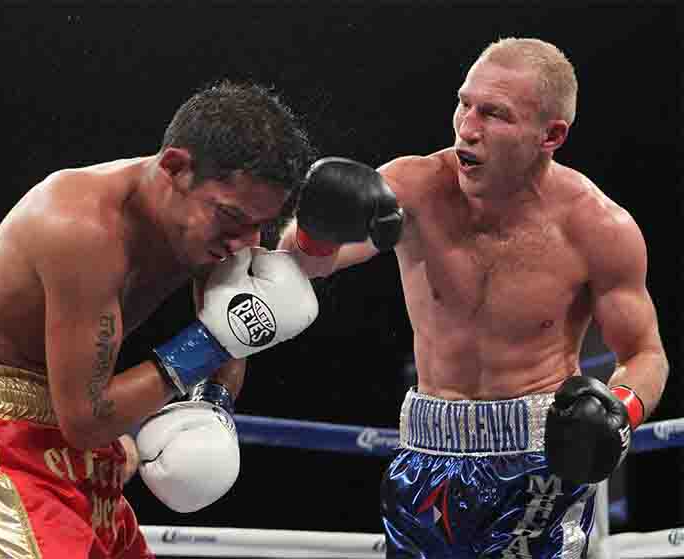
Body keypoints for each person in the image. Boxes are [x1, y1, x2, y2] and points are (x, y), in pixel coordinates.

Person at [278, 37, 669, 558]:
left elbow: (645, 353)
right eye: (464, 104)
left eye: (494, 114)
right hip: (424, 453)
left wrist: (620, 411)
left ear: (551, 135)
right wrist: (314, 228)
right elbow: (305, 263)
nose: (467, 127)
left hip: (538, 459)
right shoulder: (413, 189)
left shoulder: (597, 227)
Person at [0, 81, 319, 559]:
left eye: (260, 224)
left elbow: (231, 328)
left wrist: (212, 405)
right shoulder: (82, 226)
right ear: (175, 168)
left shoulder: (211, 230)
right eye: (231, 216)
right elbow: (90, 418)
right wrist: (207, 346)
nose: (245, 242)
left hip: (87, 430)